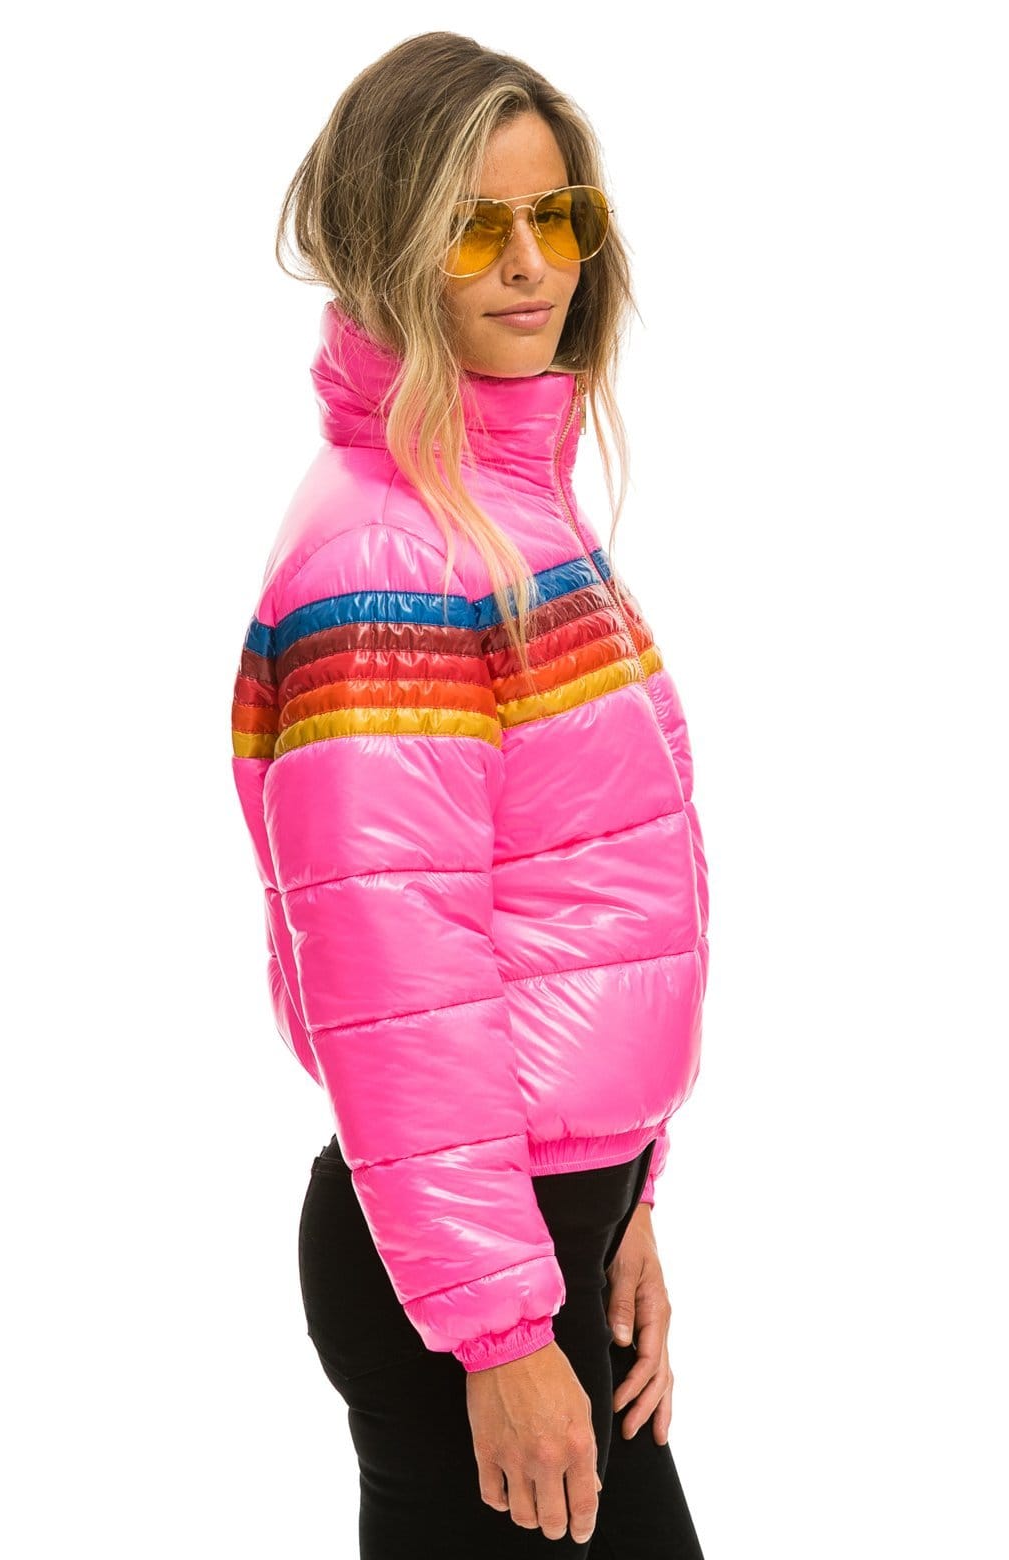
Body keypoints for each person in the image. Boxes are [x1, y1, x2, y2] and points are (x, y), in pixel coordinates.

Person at [230, 30, 710, 1558]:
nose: (529, 263)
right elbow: (394, 971)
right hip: (467, 1274)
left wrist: (631, 1197)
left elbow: (567, 905)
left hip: (539, 1228)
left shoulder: (502, 504)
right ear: (389, 249)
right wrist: (503, 1334)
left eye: (555, 215)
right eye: (471, 227)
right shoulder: (387, 552)